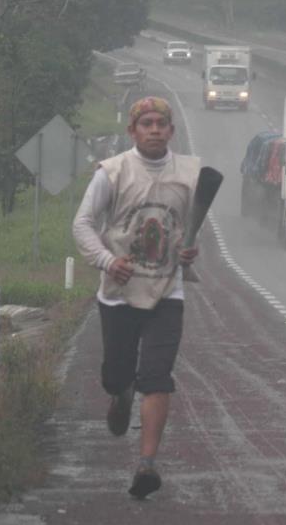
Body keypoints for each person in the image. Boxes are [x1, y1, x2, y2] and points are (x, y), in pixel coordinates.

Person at [72, 95, 201, 499]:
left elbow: (187, 230)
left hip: (167, 291)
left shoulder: (188, 174)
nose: (154, 130)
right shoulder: (112, 172)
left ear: (171, 131)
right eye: (145, 124)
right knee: (117, 374)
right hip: (120, 294)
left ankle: (146, 463)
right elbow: (82, 224)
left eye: (161, 124)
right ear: (133, 131)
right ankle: (120, 392)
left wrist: (187, 252)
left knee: (157, 377)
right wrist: (108, 261)